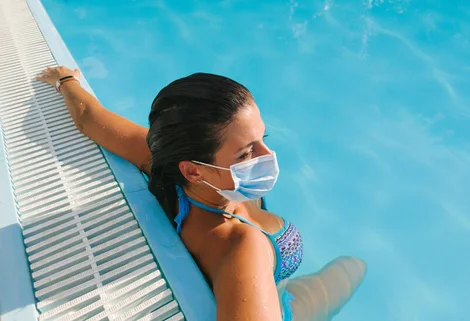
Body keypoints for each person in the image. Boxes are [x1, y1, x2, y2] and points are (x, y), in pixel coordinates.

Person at [36, 66, 366, 321]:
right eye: (246, 153)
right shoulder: (242, 247)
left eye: (265, 137)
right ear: (194, 169)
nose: (268, 156)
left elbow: (89, 117)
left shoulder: (163, 164)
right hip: (285, 305)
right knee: (354, 266)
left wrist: (66, 79)